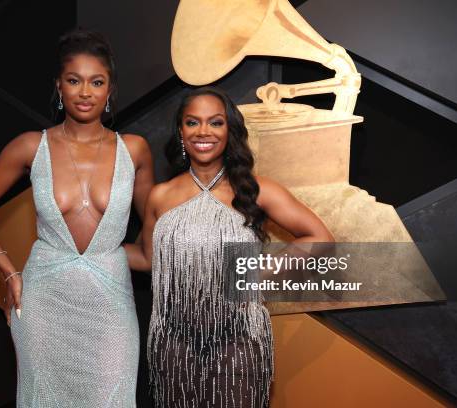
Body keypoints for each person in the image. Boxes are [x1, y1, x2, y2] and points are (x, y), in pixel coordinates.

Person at [0, 29, 153, 407]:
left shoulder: (135, 150)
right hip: (44, 302)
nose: (85, 92)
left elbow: (154, 232)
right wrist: (9, 272)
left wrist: (111, 255)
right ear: (59, 87)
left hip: (110, 304)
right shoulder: (32, 146)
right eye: (74, 81)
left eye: (97, 82)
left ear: (110, 89)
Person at [125, 86, 334, 407]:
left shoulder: (256, 189)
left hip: (238, 341)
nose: (203, 131)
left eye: (215, 122)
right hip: (173, 344)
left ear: (230, 131)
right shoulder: (161, 195)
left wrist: (255, 275)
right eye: (192, 122)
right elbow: (147, 259)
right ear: (180, 131)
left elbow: (320, 238)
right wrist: (86, 252)